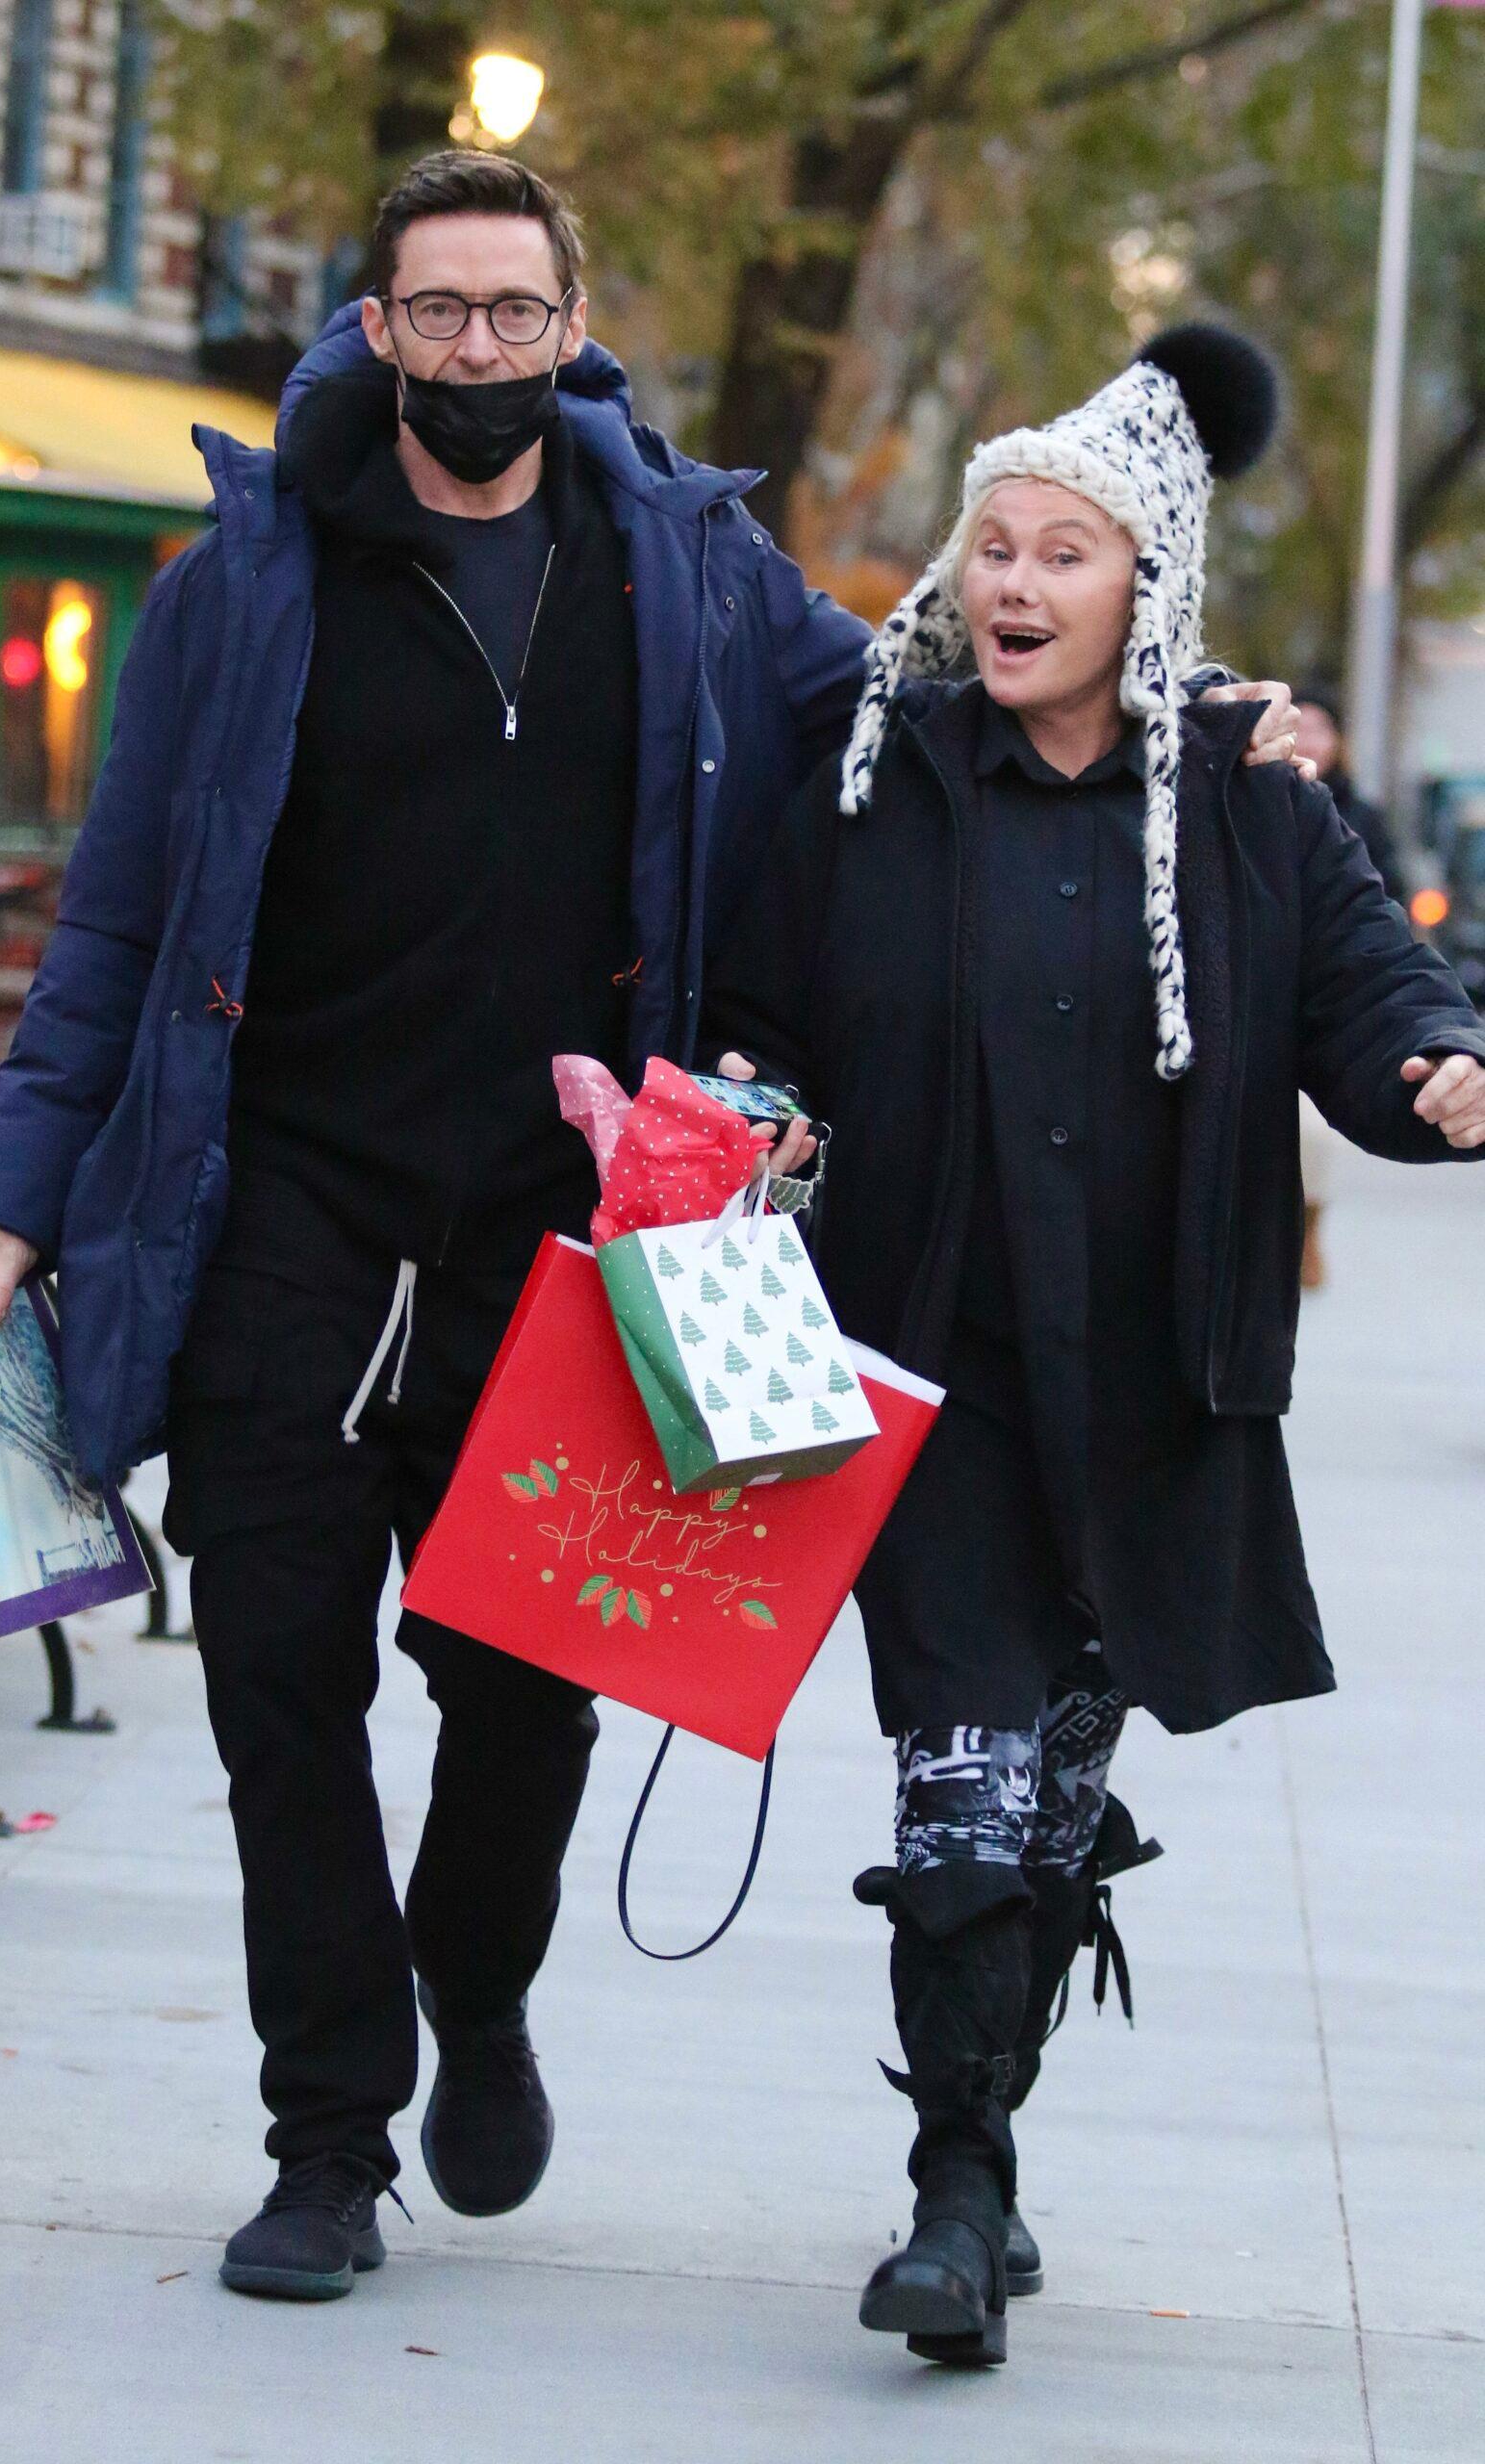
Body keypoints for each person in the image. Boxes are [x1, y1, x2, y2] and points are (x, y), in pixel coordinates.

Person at [0, 146, 1299, 2304]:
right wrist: (15, 1195)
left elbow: (920, 705)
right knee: (274, 1686)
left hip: (555, 1244)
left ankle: (476, 1992)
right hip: (285, 1213)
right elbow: (117, 919)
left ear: (574, 330)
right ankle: (324, 2130)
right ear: (371, 327)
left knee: (517, 1693)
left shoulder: (687, 568)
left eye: (515, 312)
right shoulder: (243, 577)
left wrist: (1186, 722)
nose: (477, 349)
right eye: (436, 312)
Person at [704, 324, 1485, 2369]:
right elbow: (760, 1010)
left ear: (1148, 590)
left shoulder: (1244, 809)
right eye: (994, 549)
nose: (1020, 586)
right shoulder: (868, 787)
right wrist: (757, 1097)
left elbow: (1366, 1002)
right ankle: (951, 2190)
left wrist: (1439, 1068)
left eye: (1068, 552)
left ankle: (984, 2134)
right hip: (928, 1382)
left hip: (1151, 1399)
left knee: (1050, 1807)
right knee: (955, 1788)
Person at [1293, 680, 1408, 906]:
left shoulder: (1363, 817)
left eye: (1318, 730)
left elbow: (1388, 894)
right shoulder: (1261, 808)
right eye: (1297, 729)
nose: (1307, 742)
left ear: (1337, 740)